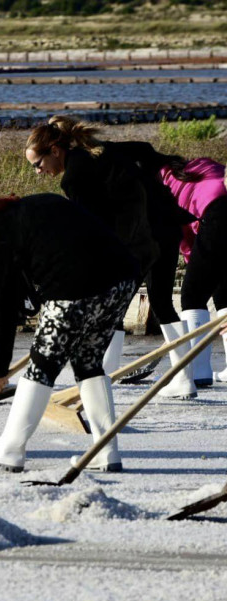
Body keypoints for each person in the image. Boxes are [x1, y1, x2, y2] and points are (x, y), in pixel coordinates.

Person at [0, 191, 139, 473]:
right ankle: (105, 451)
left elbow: (1, 306)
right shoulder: (36, 204)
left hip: (75, 289)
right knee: (88, 363)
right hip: (122, 281)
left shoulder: (1, 236)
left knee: (42, 364)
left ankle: (10, 448)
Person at [25, 117, 197, 399]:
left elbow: (91, 227)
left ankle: (102, 376)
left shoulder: (75, 175)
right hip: (164, 226)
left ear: (55, 150)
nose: (38, 172)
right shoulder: (98, 151)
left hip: (141, 237)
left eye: (37, 164)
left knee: (113, 303)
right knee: (162, 303)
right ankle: (184, 379)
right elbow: (141, 148)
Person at [158, 154, 227, 385]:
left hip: (217, 214)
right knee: (224, 292)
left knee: (192, 294)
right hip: (218, 211)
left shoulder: (162, 188)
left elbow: (184, 236)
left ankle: (197, 373)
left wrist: (193, 264)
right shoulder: (200, 163)